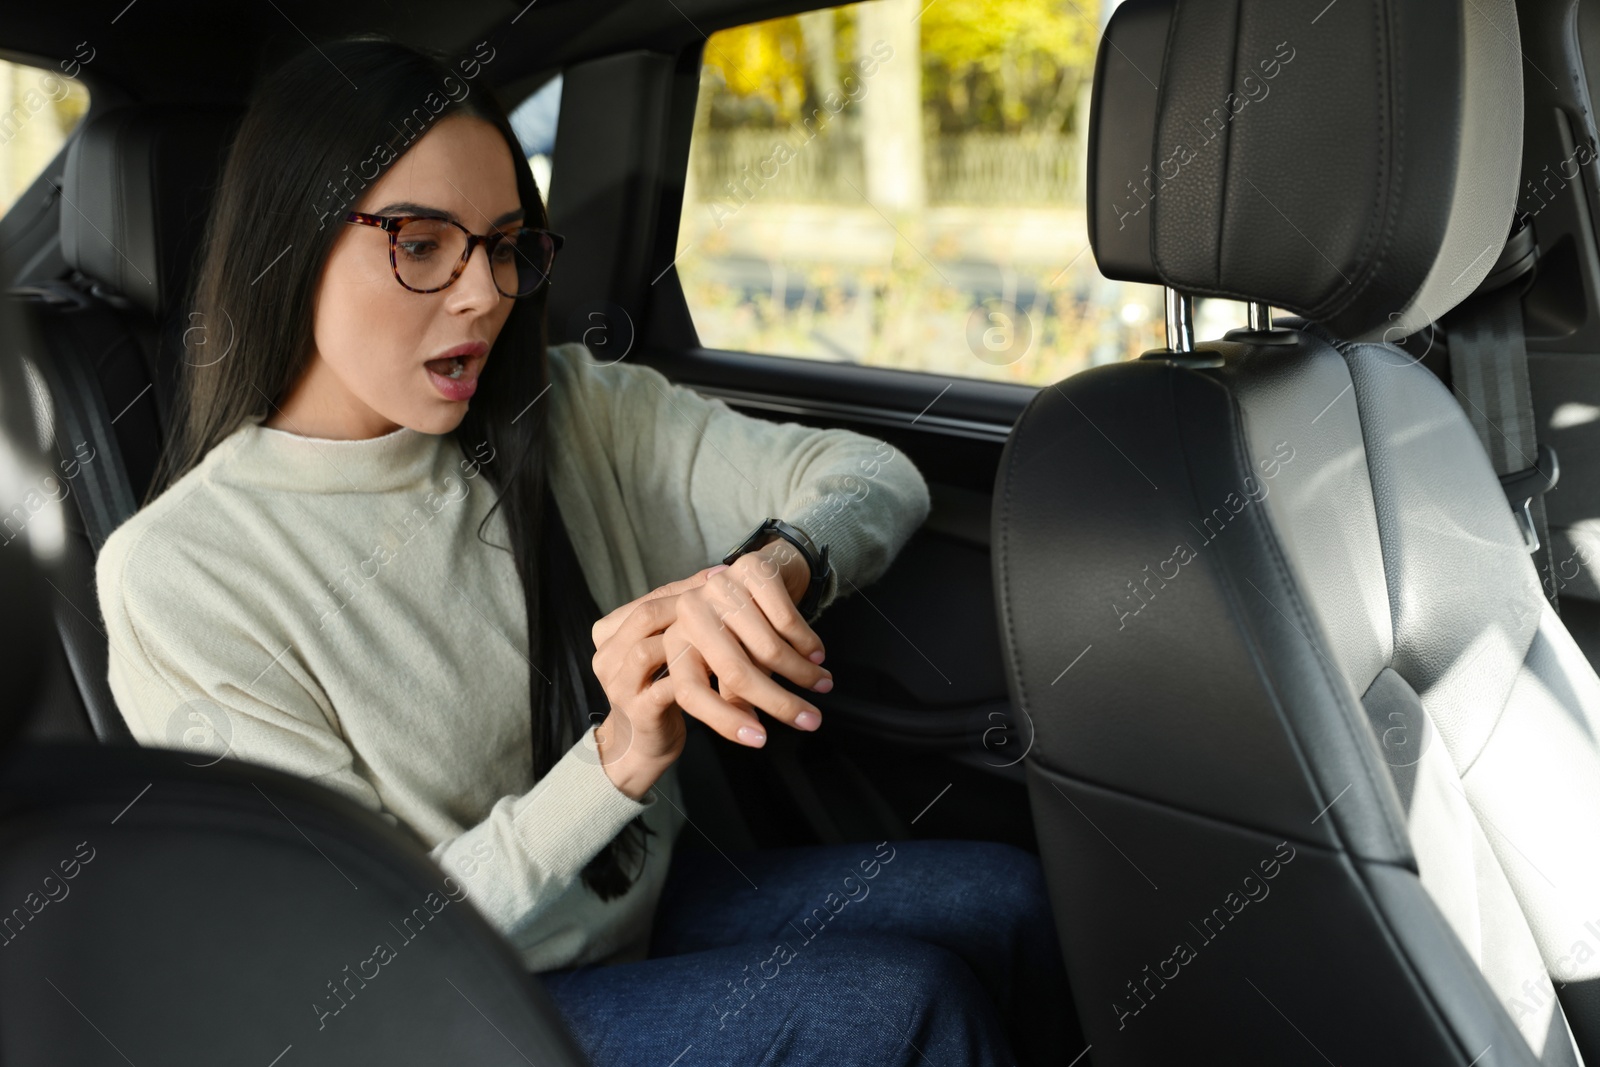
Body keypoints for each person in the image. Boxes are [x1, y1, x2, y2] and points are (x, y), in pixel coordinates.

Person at [94, 35, 1073, 1066]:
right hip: (443, 1011)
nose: (484, 293)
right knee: (900, 1006)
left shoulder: (571, 408)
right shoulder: (181, 572)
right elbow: (366, 950)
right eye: (421, 243)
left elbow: (871, 473)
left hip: (629, 906)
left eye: (506, 243)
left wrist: (770, 566)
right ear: (287, 242)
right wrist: (616, 759)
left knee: (1006, 902)